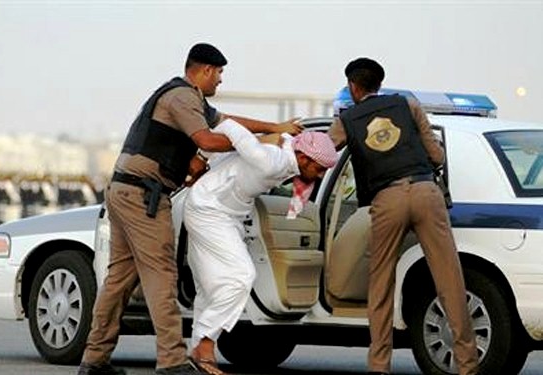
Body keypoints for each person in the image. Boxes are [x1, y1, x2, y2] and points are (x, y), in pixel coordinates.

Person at [77, 42, 303, 375]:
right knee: (161, 277)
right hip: (144, 196)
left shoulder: (189, 99)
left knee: (119, 280)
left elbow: (228, 122)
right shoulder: (182, 97)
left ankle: (94, 360)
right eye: (220, 74)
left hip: (125, 190)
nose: (221, 81)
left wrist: (273, 128)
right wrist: (254, 145)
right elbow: (209, 140)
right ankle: (171, 361)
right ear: (206, 70)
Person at [328, 57, 479, 375]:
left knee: (381, 283)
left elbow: (324, 151)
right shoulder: (407, 105)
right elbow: (436, 155)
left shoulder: (348, 118)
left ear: (353, 87)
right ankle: (467, 365)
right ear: (379, 85)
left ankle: (379, 365)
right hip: (426, 193)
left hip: (387, 200)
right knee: (450, 281)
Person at [184, 120, 338, 375]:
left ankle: (198, 350)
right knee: (242, 277)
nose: (321, 176)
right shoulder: (271, 160)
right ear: (303, 158)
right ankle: (207, 343)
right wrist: (202, 157)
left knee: (210, 287)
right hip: (208, 209)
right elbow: (229, 126)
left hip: (227, 213)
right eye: (319, 169)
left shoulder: (286, 157)